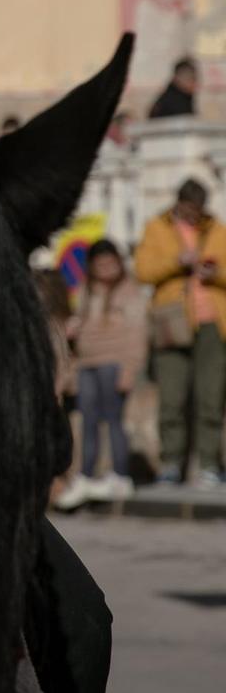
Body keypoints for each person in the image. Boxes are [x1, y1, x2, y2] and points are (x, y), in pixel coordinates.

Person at [134, 177, 226, 487]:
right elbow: (143, 271)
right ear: (178, 203)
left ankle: (209, 464)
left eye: (198, 209)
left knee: (211, 396)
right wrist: (176, 262)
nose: (194, 215)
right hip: (171, 321)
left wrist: (215, 274)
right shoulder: (156, 228)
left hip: (212, 323)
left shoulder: (217, 230)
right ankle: (171, 463)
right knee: (172, 396)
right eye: (189, 208)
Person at [53, 240, 147, 511]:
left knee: (113, 418)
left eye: (110, 263)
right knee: (89, 420)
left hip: (114, 362)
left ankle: (120, 475)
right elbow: (81, 320)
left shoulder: (131, 292)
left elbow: (138, 333)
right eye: (100, 264)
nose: (105, 269)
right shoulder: (86, 290)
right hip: (86, 363)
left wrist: (130, 369)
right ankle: (87, 475)